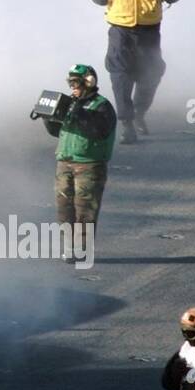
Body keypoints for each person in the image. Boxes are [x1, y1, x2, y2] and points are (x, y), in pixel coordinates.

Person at [89, 0, 181, 144]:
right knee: (120, 76)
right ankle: (127, 124)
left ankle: (139, 112)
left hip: (149, 32)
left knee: (152, 72)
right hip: (120, 32)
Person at [41, 64, 116, 255]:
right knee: (64, 206)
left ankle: (81, 247)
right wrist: (48, 118)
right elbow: (59, 132)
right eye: (70, 82)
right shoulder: (71, 103)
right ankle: (68, 245)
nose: (72, 86)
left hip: (89, 165)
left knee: (85, 209)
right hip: (65, 162)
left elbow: (98, 131)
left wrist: (80, 113)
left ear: (88, 82)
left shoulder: (101, 105)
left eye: (76, 82)